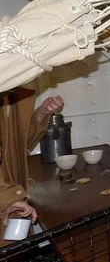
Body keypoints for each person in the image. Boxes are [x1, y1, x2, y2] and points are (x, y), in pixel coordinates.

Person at [0, 89, 63, 225]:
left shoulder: (16, 90)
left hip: (14, 197)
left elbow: (19, 145)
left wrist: (41, 113)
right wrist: (5, 197)